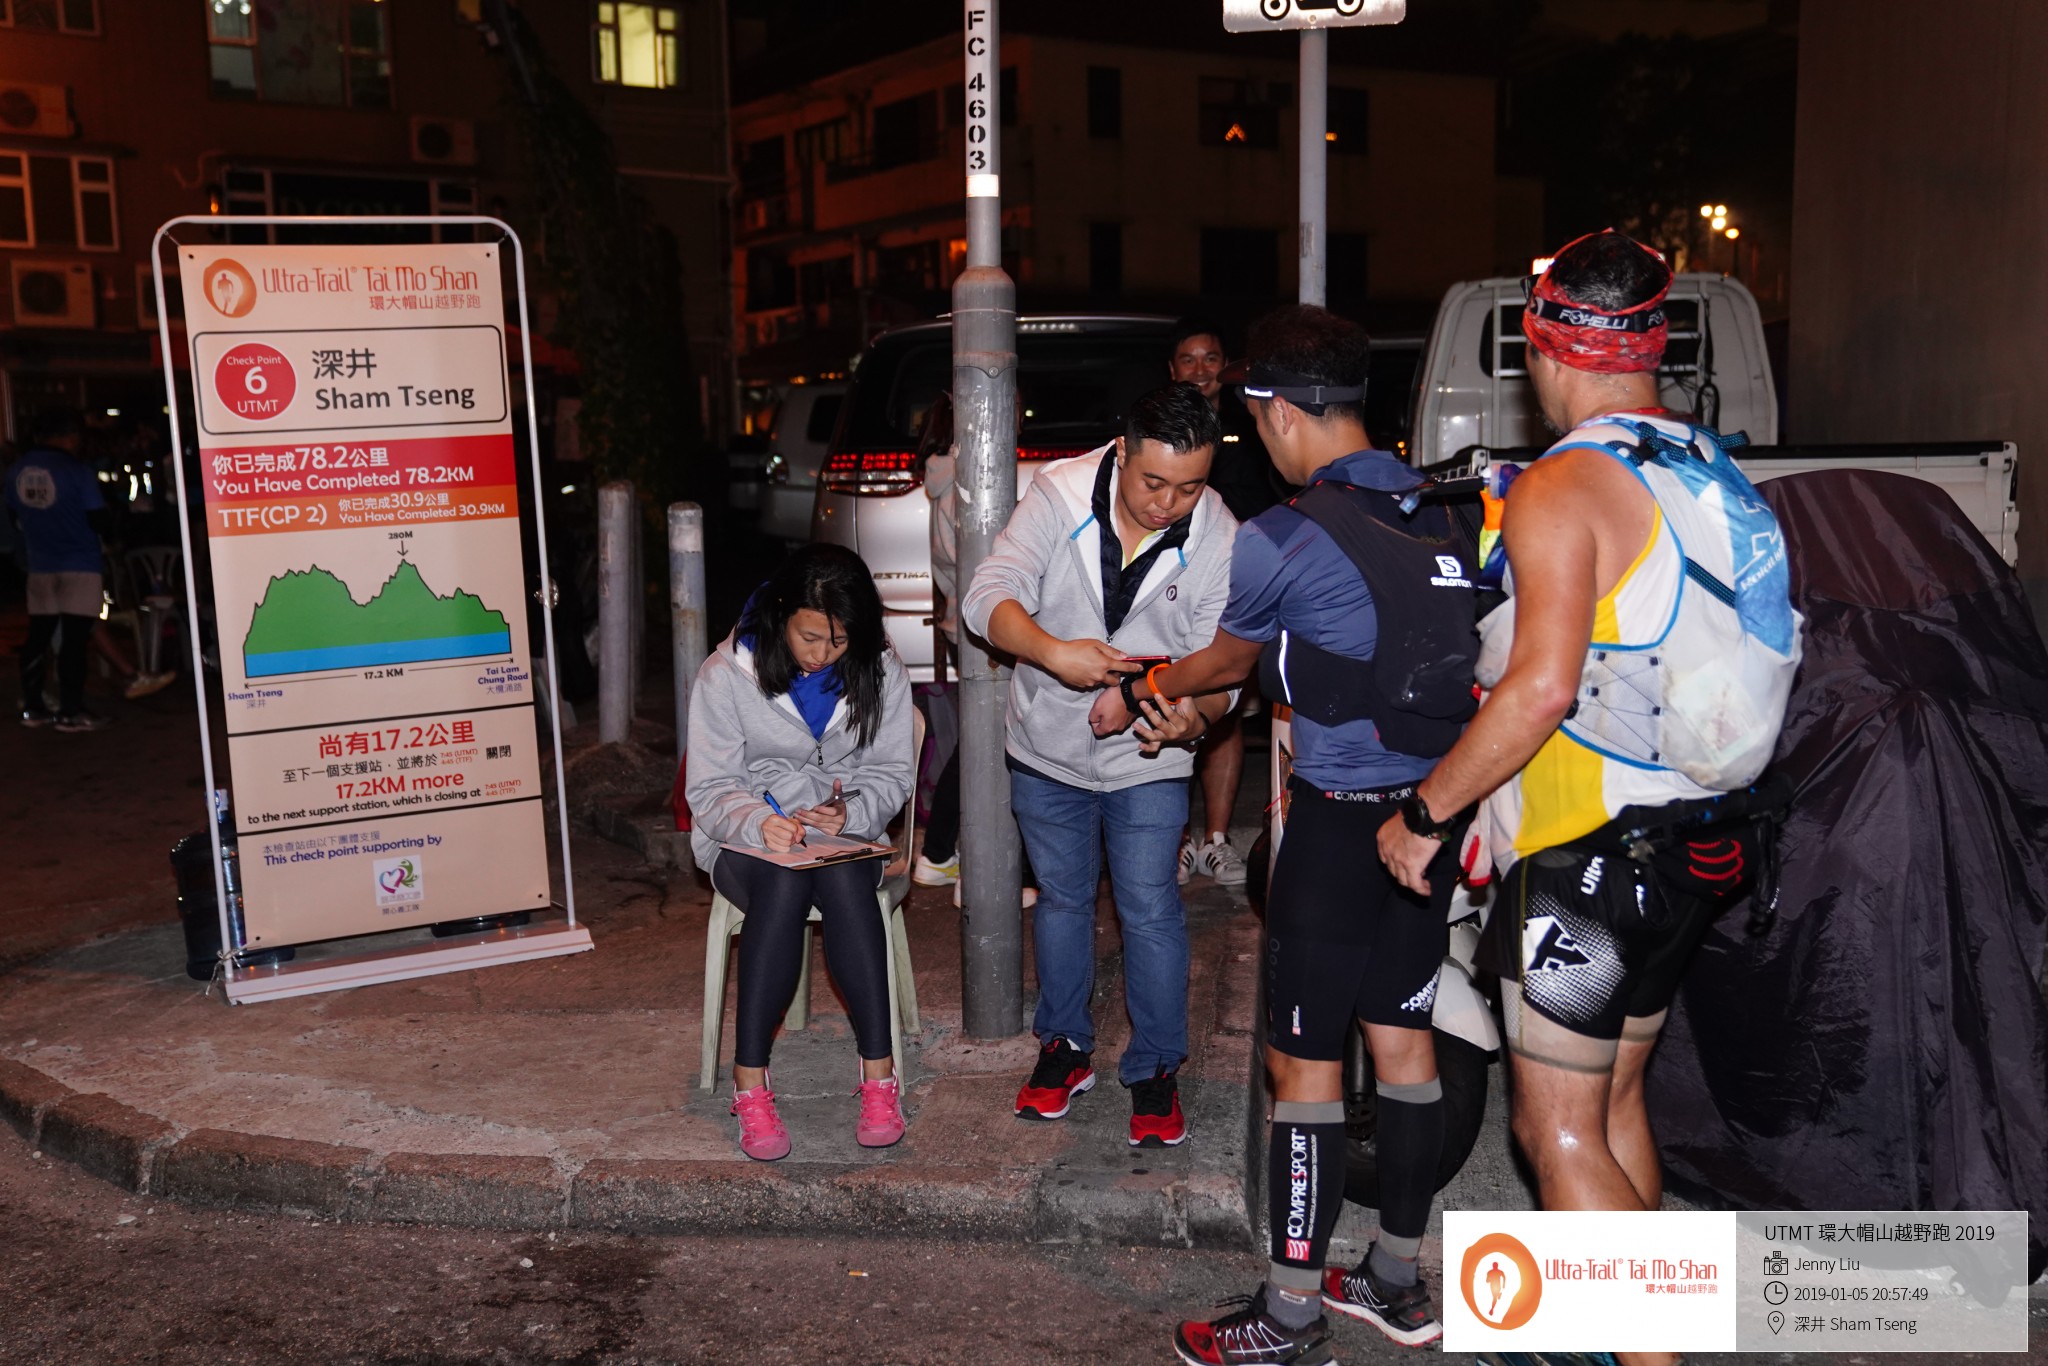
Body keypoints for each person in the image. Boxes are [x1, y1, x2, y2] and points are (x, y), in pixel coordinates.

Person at [1375, 230, 1795, 1366]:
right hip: (1695, 842)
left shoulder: (1564, 485)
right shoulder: (1709, 467)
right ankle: (1606, 1329)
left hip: (1586, 852)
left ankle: (1647, 1352)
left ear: (1544, 351)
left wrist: (1423, 816)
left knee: (1553, 1128)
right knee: (1611, 1105)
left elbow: (1539, 688)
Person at [1114, 307, 1469, 1363]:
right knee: (1404, 1045)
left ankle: (1291, 1311)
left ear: (1274, 410)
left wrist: (1150, 682)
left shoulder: (1283, 533)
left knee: (1301, 1065)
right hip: (1430, 819)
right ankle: (1395, 1277)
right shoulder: (1440, 507)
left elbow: (1226, 663)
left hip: (1336, 831)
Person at [960, 382, 1239, 1148]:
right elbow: (986, 596)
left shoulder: (1219, 532)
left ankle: (1156, 1067)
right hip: (1045, 747)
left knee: (1150, 904)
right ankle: (1064, 1047)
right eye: (1153, 482)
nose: (1167, 503)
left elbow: (1224, 664)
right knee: (1062, 899)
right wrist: (1053, 652)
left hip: (1151, 753)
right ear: (1121, 452)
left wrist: (1195, 717)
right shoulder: (1057, 495)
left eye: (1189, 487)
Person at [685, 542, 915, 1161]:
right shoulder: (726, 673)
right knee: (782, 885)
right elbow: (709, 788)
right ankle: (750, 1086)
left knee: (843, 882)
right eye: (810, 637)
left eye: (839, 641)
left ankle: (879, 1078)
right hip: (742, 834)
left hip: (843, 832)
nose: (822, 654)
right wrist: (759, 822)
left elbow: (892, 772)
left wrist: (850, 813)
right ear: (780, 614)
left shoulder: (881, 668)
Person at [1164, 319, 1275, 891]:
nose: (1201, 369)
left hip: (1239, 589)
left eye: (1211, 358)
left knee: (1226, 710)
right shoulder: (1156, 426)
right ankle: (1177, 839)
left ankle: (1215, 839)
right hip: (1170, 589)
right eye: (1189, 359)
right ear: (1172, 369)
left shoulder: (1252, 425)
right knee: (1168, 710)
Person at [6, 408, 112, 732]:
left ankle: (34, 707)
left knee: (38, 636)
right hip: (80, 563)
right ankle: (70, 710)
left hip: (40, 564)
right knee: (74, 640)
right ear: (70, 436)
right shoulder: (77, 471)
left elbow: (13, 517)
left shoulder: (15, 471)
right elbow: (98, 518)